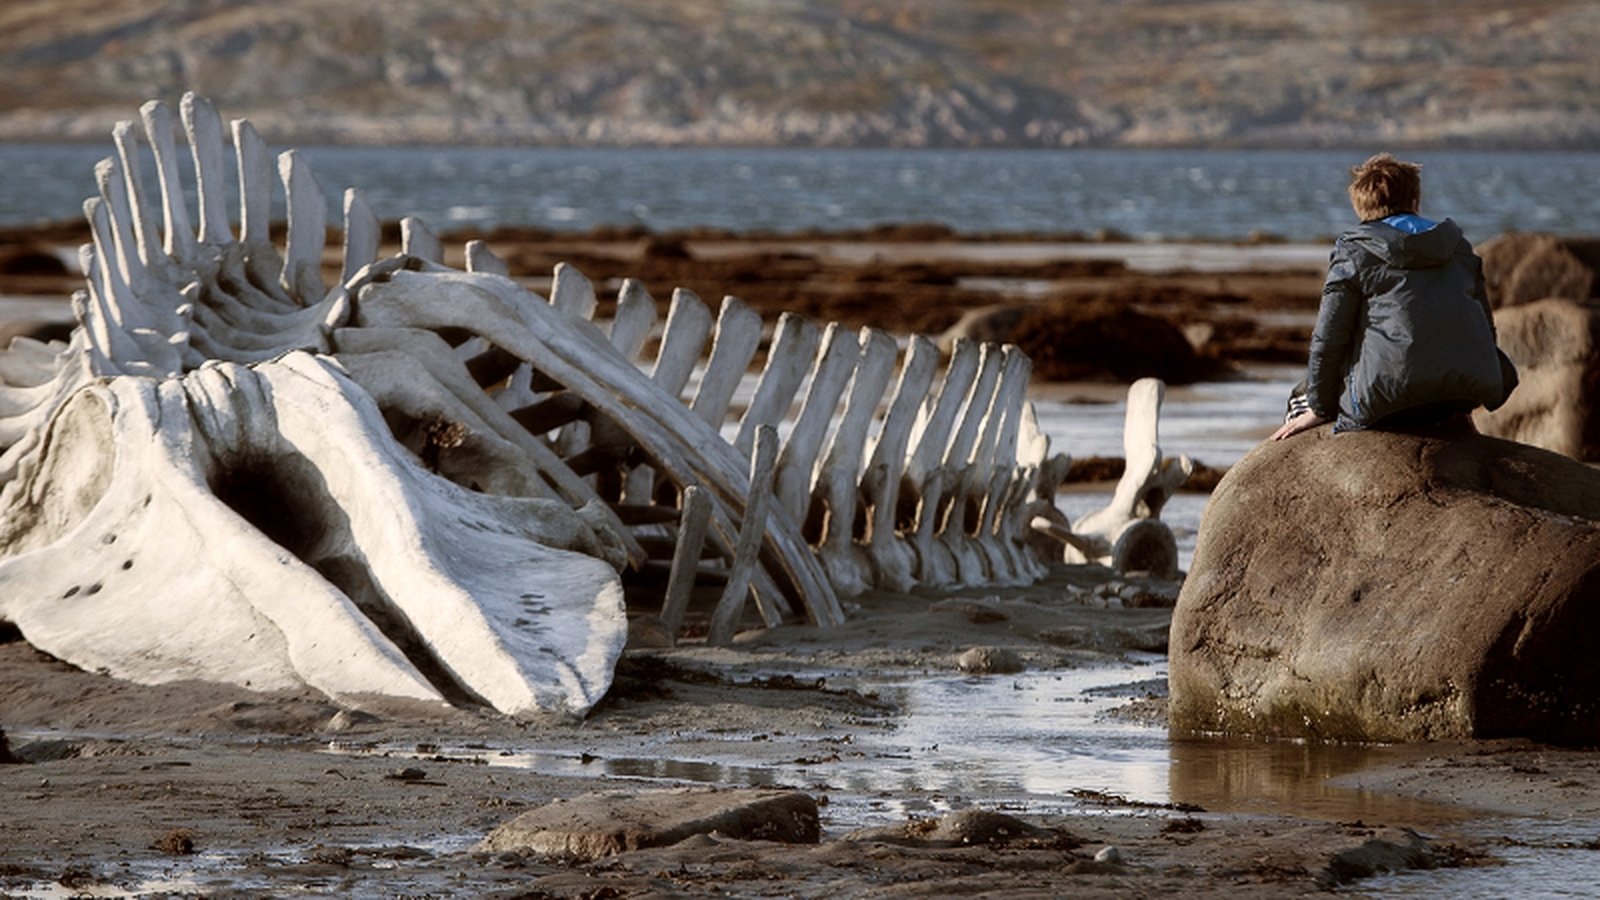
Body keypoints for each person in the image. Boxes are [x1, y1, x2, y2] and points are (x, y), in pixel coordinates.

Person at [1272, 153, 1514, 441]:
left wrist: (1321, 409)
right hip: (1465, 395)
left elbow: (1328, 338)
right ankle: (1457, 418)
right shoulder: (1458, 247)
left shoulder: (1355, 251)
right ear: (1415, 201)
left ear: (1361, 207)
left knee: (1299, 400)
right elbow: (1485, 328)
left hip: (1391, 400)